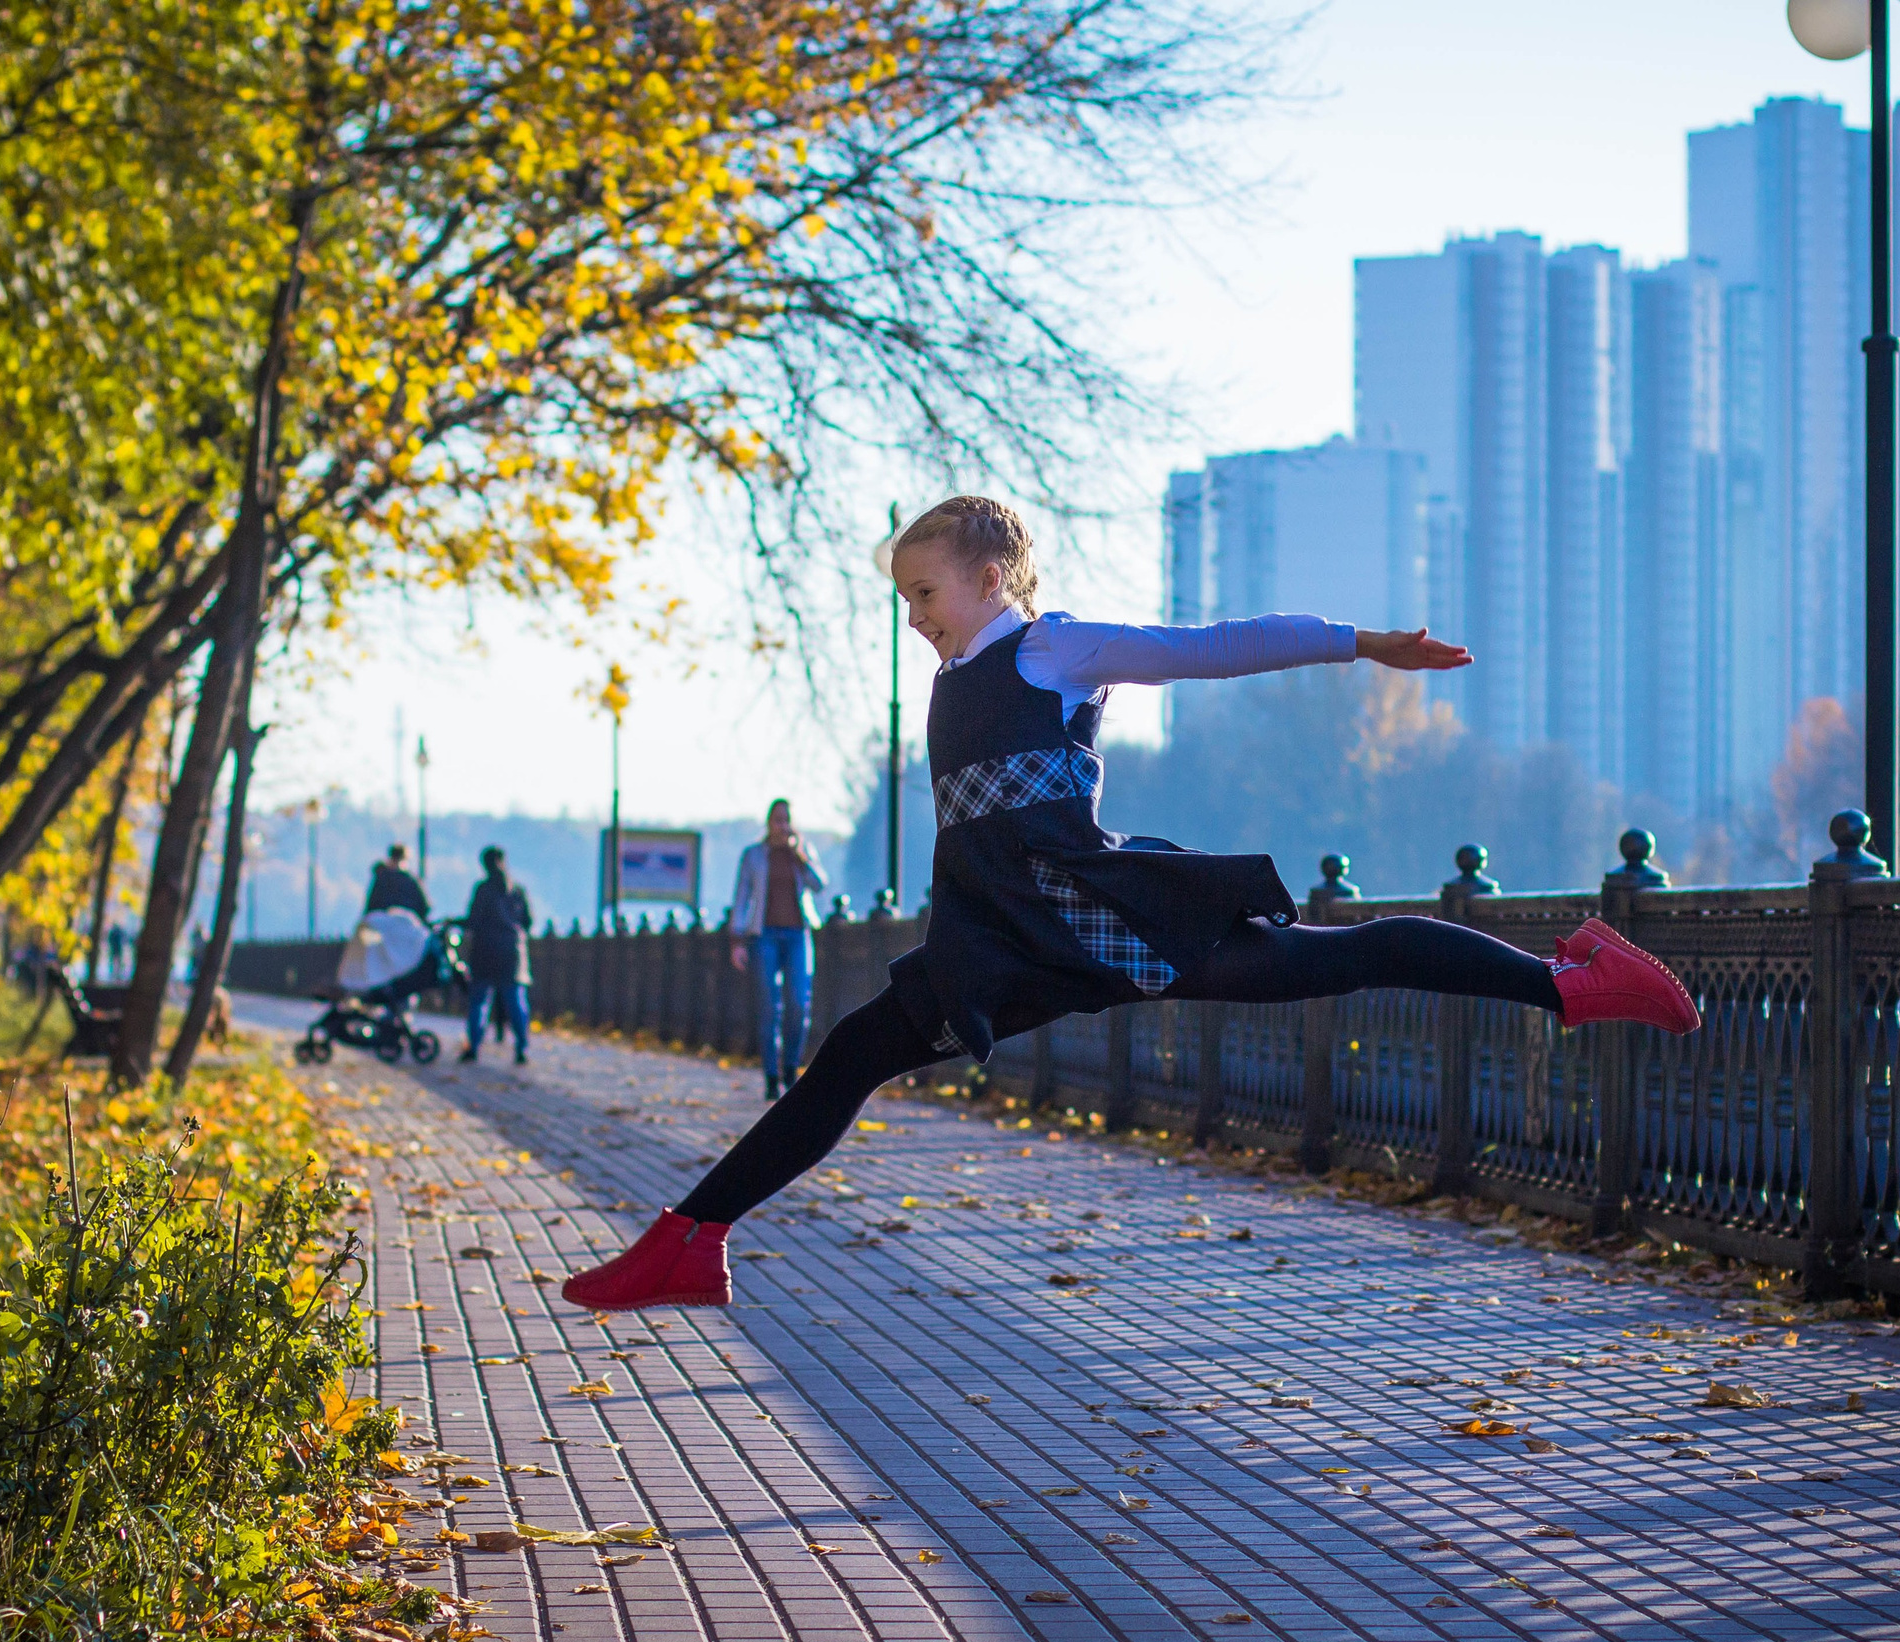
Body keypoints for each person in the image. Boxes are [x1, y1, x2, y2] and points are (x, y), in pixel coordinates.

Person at [562, 495, 1700, 1311]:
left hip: (1090, 915)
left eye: (923, 592)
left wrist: (1359, 646)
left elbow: (1210, 649)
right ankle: (691, 1238)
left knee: (1330, 958)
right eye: (903, 598)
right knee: (851, 1054)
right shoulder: (958, 674)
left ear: (988, 579)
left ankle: (1571, 982)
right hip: (1004, 936)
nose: (913, 615)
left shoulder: (1052, 651)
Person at [728, 799, 828, 1098]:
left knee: (799, 1003)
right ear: (768, 822)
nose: (782, 826)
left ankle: (791, 1069)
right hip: (764, 936)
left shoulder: (802, 852)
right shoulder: (754, 856)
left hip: (798, 935)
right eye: (777, 820)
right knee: (769, 1006)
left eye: (787, 821)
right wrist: (736, 940)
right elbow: (742, 897)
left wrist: (800, 856)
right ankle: (771, 1077)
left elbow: (820, 884)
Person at [460, 845, 533, 1065]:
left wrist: (455, 922)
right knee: (515, 1000)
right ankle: (522, 1047)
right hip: (512, 950)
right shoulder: (517, 890)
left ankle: (473, 1047)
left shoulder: (482, 889)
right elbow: (528, 921)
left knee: (480, 1001)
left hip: (485, 950)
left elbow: (473, 920)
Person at [365, 844, 431, 919]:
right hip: (394, 922)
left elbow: (370, 908)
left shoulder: (383, 877)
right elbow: (425, 908)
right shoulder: (411, 880)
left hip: (400, 922)